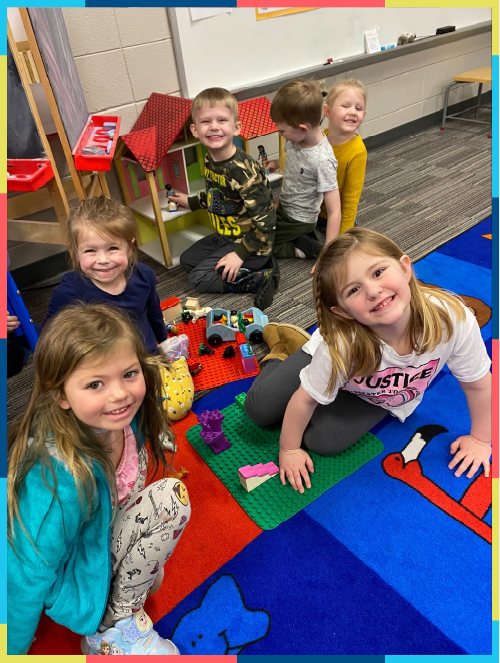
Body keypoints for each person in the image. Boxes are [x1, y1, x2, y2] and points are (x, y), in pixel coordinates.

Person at [245, 228, 491, 493]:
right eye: (353, 290)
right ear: (342, 312)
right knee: (259, 408)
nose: (373, 291)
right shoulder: (340, 345)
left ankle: (323, 378)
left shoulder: (453, 319)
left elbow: (480, 385)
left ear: (405, 268)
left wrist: (481, 439)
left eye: (378, 272)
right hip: (330, 361)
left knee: (322, 441)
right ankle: (282, 351)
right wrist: (289, 449)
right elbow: (305, 399)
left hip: (378, 392)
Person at [7, 303, 191, 655]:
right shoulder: (57, 479)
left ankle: (115, 597)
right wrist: (9, 648)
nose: (119, 394)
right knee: (168, 500)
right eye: (95, 383)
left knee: (168, 503)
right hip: (68, 571)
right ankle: (109, 629)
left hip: (97, 541)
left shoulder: (125, 420)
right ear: (60, 394)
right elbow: (26, 569)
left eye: (128, 374)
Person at [46, 195, 193, 421]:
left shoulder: (144, 276)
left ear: (130, 246)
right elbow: (52, 338)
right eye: (90, 251)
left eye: (113, 248)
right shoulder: (69, 292)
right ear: (74, 250)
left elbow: (154, 311)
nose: (103, 259)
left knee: (176, 406)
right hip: (103, 370)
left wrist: (163, 345)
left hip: (145, 358)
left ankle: (177, 361)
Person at [167, 87, 278, 311]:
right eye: (206, 121)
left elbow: (266, 222)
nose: (214, 127)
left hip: (252, 243)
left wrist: (239, 255)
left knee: (198, 279)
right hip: (226, 234)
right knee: (187, 260)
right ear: (195, 130)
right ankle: (248, 265)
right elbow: (215, 195)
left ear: (236, 128)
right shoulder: (210, 159)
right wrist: (191, 202)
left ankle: (260, 277)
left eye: (222, 120)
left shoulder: (241, 171)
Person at [268, 79, 341, 260]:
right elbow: (296, 168)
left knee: (257, 245)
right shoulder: (293, 140)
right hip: (284, 206)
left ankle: (304, 249)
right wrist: (277, 163)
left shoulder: (323, 161)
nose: (279, 133)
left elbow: (335, 211)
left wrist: (327, 255)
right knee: (254, 225)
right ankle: (297, 239)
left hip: (300, 220)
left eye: (282, 130)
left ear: (302, 128)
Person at [320, 79, 367, 234]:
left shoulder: (357, 151)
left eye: (358, 108)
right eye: (345, 106)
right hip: (311, 210)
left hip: (334, 216)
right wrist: (279, 163)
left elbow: (351, 199)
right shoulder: (320, 138)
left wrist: (342, 237)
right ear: (328, 112)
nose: (353, 112)